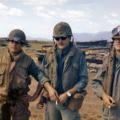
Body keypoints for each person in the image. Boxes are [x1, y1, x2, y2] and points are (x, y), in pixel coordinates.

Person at [0, 29, 58, 120]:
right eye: (12, 41)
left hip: (19, 100)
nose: (14, 44)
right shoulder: (1, 54)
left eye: (18, 42)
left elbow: (40, 76)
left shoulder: (28, 61)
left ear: (22, 44)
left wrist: (48, 90)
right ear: (8, 41)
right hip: (1, 99)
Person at [41, 22, 88, 120]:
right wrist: (49, 89)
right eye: (57, 38)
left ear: (70, 37)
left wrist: (68, 94)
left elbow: (83, 80)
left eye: (63, 38)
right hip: (52, 99)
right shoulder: (49, 54)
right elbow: (42, 75)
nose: (60, 41)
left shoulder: (78, 55)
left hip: (70, 101)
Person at [92, 25, 120, 120]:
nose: (118, 41)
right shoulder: (108, 60)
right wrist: (104, 96)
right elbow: (95, 82)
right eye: (115, 39)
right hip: (108, 113)